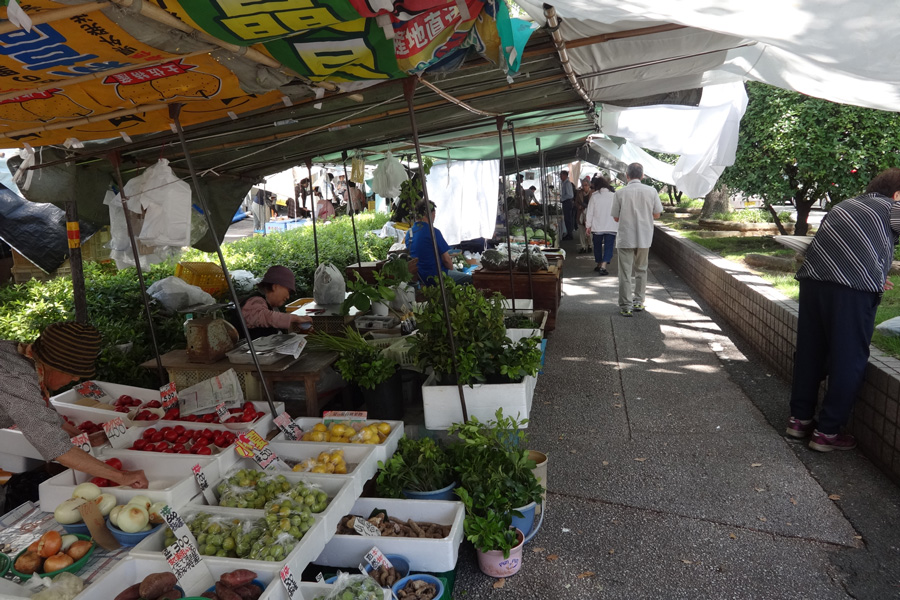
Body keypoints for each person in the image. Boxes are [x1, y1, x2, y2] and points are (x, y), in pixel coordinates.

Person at [787, 168, 900, 452]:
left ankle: (799, 420)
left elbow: (853, 244)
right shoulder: (891, 207)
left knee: (811, 350)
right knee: (849, 357)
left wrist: (875, 272)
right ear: (897, 195)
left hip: (813, 282)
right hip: (851, 292)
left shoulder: (846, 204)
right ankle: (827, 432)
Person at [0, 322, 149, 504]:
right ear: (52, 364)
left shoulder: (22, 356)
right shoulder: (15, 377)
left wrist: (77, 434)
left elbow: (38, 405)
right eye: (72, 372)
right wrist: (122, 476)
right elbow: (54, 445)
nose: (76, 378)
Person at [610, 163, 663, 317]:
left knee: (625, 272)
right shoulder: (651, 191)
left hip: (626, 237)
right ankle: (638, 301)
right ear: (642, 175)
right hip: (644, 236)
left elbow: (615, 217)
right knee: (641, 269)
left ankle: (626, 306)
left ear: (627, 175)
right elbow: (657, 214)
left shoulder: (620, 193)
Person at [405, 199, 472, 286]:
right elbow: (446, 260)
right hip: (437, 276)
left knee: (457, 271)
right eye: (434, 214)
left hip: (421, 277)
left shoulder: (409, 233)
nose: (434, 217)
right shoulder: (433, 232)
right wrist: (451, 276)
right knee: (472, 279)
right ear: (430, 214)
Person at [240, 266, 313, 340]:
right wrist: (295, 318)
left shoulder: (272, 307)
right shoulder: (255, 301)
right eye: (288, 291)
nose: (288, 297)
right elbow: (266, 317)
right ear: (275, 287)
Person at [585, 174, 618, 275]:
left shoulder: (594, 197)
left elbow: (589, 212)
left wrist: (588, 226)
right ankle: (603, 265)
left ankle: (599, 263)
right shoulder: (614, 196)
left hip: (597, 226)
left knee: (597, 246)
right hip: (611, 226)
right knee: (608, 246)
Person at [575, 175, 592, 254]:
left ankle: (590, 246)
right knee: (581, 231)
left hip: (590, 215)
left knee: (589, 231)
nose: (584, 187)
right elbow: (576, 203)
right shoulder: (579, 193)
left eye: (586, 185)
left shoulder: (593, 193)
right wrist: (579, 206)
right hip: (581, 214)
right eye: (583, 185)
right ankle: (583, 246)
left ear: (589, 185)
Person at [560, 170, 575, 239]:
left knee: (568, 219)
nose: (560, 177)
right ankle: (569, 233)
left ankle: (570, 234)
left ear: (565, 176)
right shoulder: (564, 183)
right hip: (566, 202)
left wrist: (562, 198)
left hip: (567, 202)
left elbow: (570, 195)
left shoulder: (567, 183)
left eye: (561, 175)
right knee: (567, 218)